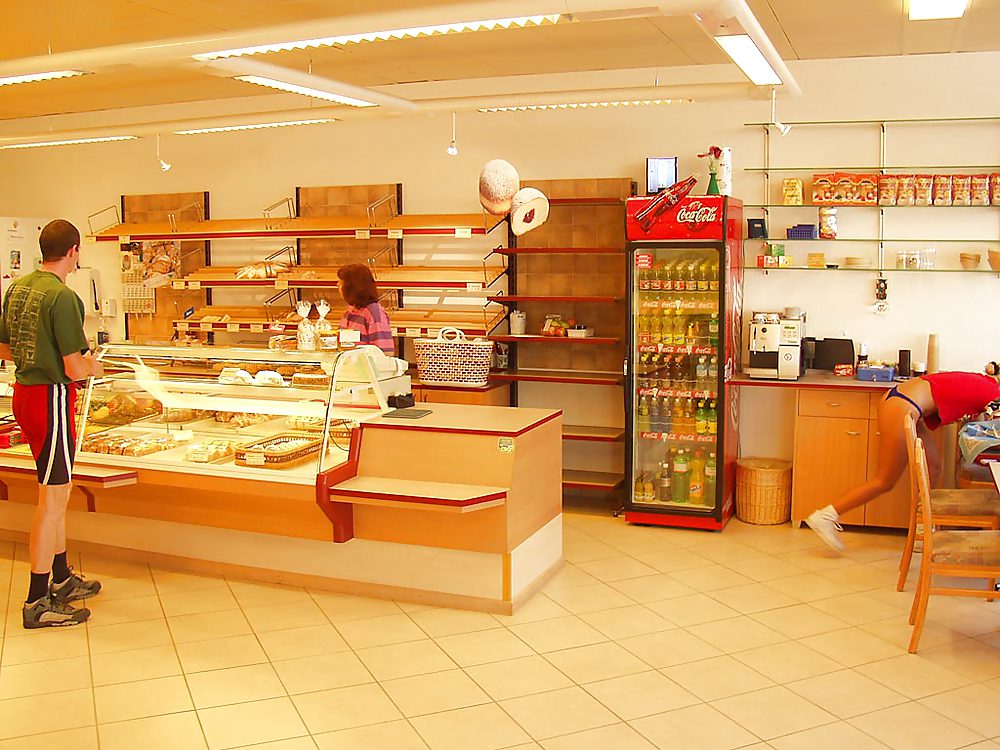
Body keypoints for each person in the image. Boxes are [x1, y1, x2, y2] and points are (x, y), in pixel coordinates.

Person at [0, 220, 104, 628]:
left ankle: (61, 579)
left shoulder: (19, 288)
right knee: (53, 500)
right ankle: (36, 600)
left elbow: (5, 348)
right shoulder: (63, 297)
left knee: (54, 491)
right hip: (52, 399)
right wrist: (94, 365)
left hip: (25, 395)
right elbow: (74, 366)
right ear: (74, 251)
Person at [806, 364, 1000, 553]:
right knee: (884, 481)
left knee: (933, 466)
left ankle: (922, 531)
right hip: (902, 406)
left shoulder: (986, 383)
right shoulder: (993, 394)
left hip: (904, 401)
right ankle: (827, 515)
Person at [337, 264, 394, 355]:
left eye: (341, 283)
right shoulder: (349, 312)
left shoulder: (374, 313)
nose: (337, 286)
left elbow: (385, 353)